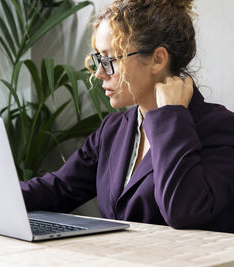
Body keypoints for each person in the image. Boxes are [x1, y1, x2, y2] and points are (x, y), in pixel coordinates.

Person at [19, 0, 234, 233]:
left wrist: (171, 116)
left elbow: (183, 212)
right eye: (99, 60)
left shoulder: (220, 128)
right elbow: (57, 189)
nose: (99, 73)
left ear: (158, 59)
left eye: (110, 60)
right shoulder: (113, 129)